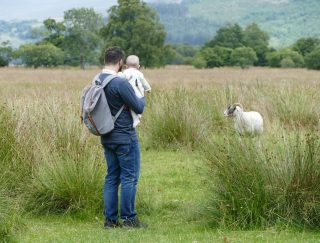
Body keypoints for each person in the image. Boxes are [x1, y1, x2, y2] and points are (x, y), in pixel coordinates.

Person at [99, 46, 147, 228]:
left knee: (112, 176)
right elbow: (138, 107)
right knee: (129, 177)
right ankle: (129, 219)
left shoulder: (97, 79)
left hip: (106, 135)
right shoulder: (120, 83)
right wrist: (142, 94)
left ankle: (110, 221)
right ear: (120, 62)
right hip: (125, 136)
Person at [119, 55, 151, 128]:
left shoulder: (124, 72)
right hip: (139, 94)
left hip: (129, 93)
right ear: (138, 66)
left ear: (126, 66)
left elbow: (119, 79)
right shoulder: (139, 73)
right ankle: (138, 117)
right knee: (138, 106)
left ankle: (135, 119)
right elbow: (144, 82)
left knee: (131, 106)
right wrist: (148, 89)